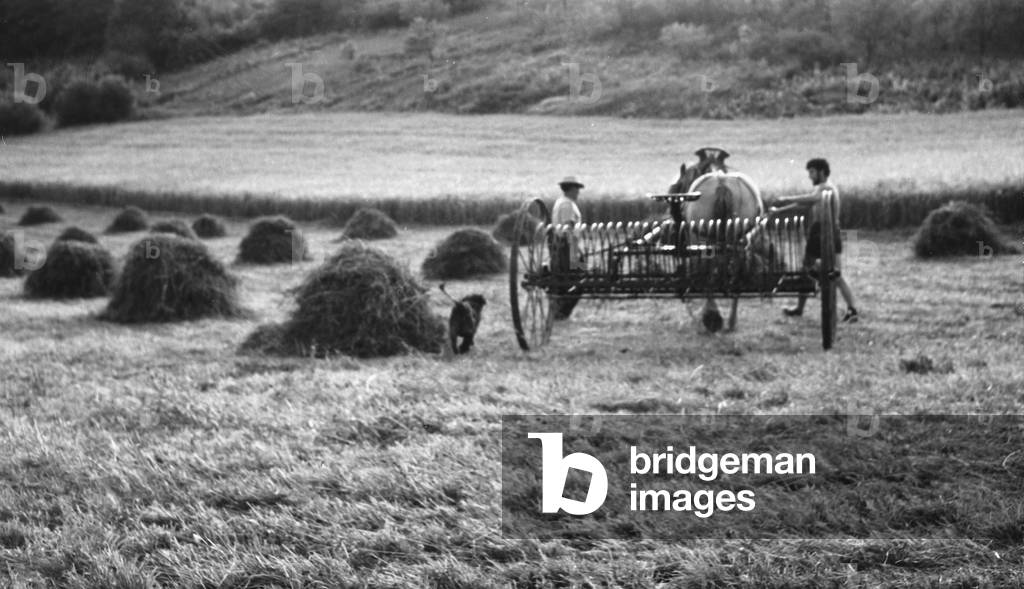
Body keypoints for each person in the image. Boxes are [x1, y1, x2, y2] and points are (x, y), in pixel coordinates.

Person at [770, 159, 859, 323]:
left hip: (830, 233)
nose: (810, 176)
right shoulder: (818, 190)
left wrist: (785, 199)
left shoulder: (827, 189)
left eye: (812, 172)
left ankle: (852, 309)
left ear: (822, 172)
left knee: (835, 274)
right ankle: (800, 307)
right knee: (807, 271)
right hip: (816, 233)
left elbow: (812, 199)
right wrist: (780, 211)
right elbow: (804, 204)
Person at [551, 176, 585, 320]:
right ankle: (562, 312)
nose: (578, 192)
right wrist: (576, 251)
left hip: (565, 246)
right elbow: (568, 228)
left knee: (576, 280)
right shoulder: (567, 205)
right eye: (577, 189)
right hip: (568, 246)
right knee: (581, 280)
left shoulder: (562, 202)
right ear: (571, 189)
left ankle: (561, 311)